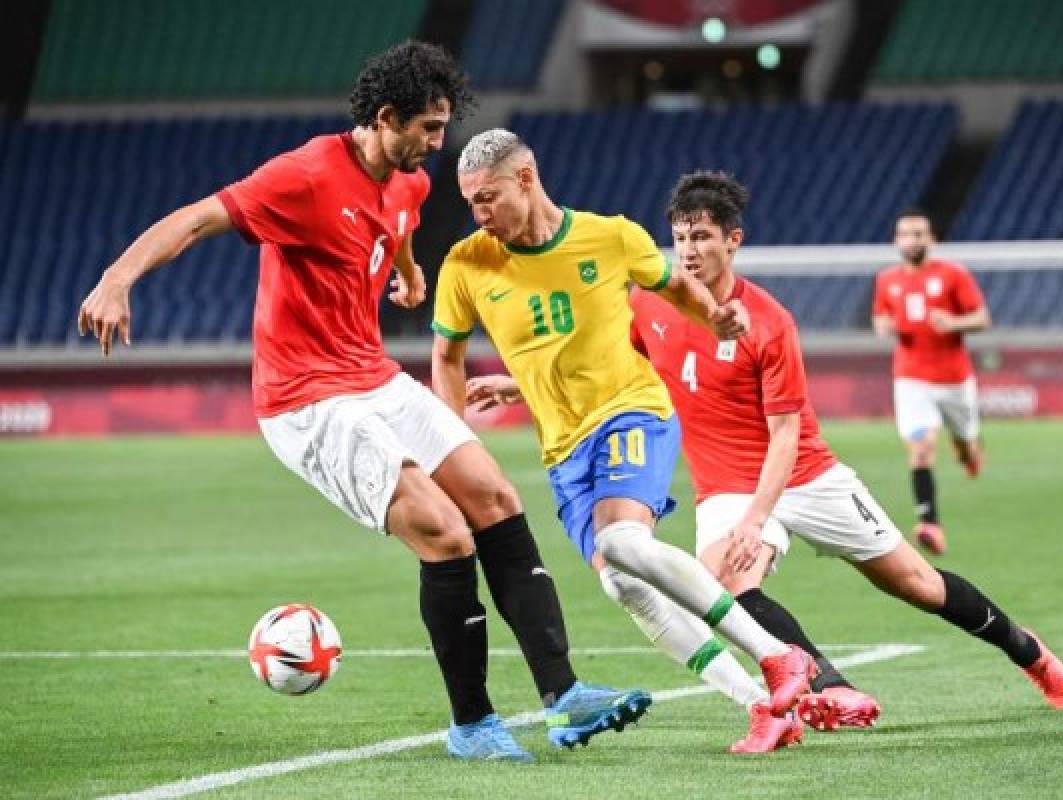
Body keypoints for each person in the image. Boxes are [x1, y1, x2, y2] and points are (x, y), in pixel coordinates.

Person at [76, 41, 651, 764]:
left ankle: (564, 697)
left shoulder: (408, 181)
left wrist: (408, 275)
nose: (440, 144)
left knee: (496, 497)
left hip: (372, 375)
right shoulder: (304, 176)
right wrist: (116, 278)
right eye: (430, 129)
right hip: (306, 399)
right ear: (387, 118)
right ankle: (472, 724)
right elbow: (197, 218)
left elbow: (397, 224)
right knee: (444, 533)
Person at [622, 172, 1063, 719]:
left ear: (733, 240)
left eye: (702, 237)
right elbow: (620, 367)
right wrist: (517, 385)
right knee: (724, 588)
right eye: (680, 237)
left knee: (919, 585)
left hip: (806, 476)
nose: (689, 250)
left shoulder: (768, 322)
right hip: (726, 486)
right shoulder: (649, 305)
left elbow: (786, 434)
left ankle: (1029, 654)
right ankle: (832, 687)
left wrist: (756, 519)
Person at [432, 130, 819, 755]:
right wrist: (449, 451)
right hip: (563, 452)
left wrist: (712, 316)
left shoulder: (610, 236)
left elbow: (674, 287)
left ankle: (777, 656)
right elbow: (447, 359)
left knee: (622, 540)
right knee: (622, 581)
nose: (480, 215)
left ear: (527, 178)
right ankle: (759, 707)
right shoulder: (466, 264)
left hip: (631, 414)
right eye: (471, 202)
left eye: (489, 198)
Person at [872, 210, 990, 555]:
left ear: (931, 239)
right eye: (906, 234)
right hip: (911, 378)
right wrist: (885, 327)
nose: (912, 240)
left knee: (966, 443)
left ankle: (969, 450)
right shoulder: (886, 280)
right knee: (921, 448)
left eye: (919, 233)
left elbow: (982, 318)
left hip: (955, 379)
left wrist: (953, 323)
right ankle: (930, 523)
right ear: (897, 241)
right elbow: (880, 317)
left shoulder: (953, 275)